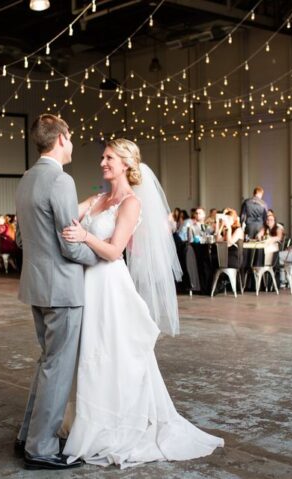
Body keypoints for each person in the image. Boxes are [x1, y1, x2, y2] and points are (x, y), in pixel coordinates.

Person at [61, 138, 223, 467]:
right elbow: (65, 215)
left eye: (109, 158)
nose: (102, 162)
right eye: (103, 157)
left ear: (125, 164)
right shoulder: (97, 199)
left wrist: (86, 236)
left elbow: (114, 250)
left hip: (110, 284)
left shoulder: (131, 203)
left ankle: (113, 422)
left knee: (111, 353)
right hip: (87, 284)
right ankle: (86, 418)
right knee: (90, 352)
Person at [13, 114, 99, 471]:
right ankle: (41, 448)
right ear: (61, 138)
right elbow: (70, 242)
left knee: (48, 364)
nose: (74, 142)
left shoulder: (26, 179)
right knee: (58, 368)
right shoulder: (61, 181)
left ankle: (27, 437)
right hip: (62, 288)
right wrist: (103, 255)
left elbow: (21, 238)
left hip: (35, 284)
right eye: (72, 136)